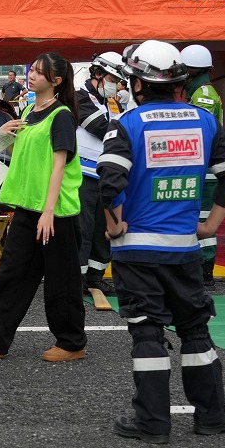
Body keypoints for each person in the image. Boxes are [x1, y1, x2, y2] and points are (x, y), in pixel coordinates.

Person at [98, 40, 225, 445]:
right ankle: (211, 417)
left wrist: (114, 227)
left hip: (136, 251)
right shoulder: (204, 121)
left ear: (136, 82)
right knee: (195, 331)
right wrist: (210, 225)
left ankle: (153, 424)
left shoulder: (126, 124)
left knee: (147, 333)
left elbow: (110, 187)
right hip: (184, 250)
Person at [0, 52, 87, 363]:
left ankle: (71, 343)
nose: (31, 76)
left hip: (55, 212)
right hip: (29, 208)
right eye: (32, 71)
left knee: (62, 281)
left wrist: (48, 211)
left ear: (56, 81)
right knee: (11, 274)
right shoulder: (29, 109)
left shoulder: (62, 116)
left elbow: (59, 165)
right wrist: (1, 137)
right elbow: (22, 154)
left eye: (39, 73)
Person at [75, 51, 126, 300]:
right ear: (98, 74)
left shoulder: (110, 102)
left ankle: (95, 278)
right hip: (81, 176)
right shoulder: (79, 97)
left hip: (104, 175)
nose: (117, 85)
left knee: (101, 230)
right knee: (82, 229)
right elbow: (101, 129)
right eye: (114, 79)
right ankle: (77, 279)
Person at [181, 45, 223, 286]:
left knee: (204, 219)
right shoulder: (200, 91)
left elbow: (199, 133)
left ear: (191, 71)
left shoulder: (203, 94)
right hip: (202, 168)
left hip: (204, 170)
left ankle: (205, 269)